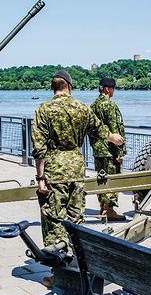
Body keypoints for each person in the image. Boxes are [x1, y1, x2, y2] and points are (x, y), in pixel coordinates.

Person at [32, 70, 117, 254]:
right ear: (69, 87)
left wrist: (40, 177)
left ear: (51, 87)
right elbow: (100, 131)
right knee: (76, 218)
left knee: (54, 219)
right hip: (77, 170)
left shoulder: (43, 109)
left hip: (54, 172)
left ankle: (58, 263)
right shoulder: (82, 107)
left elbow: (39, 148)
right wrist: (114, 138)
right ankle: (77, 258)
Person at [90, 77, 127, 221]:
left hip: (98, 149)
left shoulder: (93, 106)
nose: (113, 91)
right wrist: (120, 151)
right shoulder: (109, 105)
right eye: (113, 88)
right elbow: (115, 129)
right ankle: (109, 210)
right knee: (112, 178)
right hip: (110, 149)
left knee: (102, 177)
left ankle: (102, 206)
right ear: (107, 89)